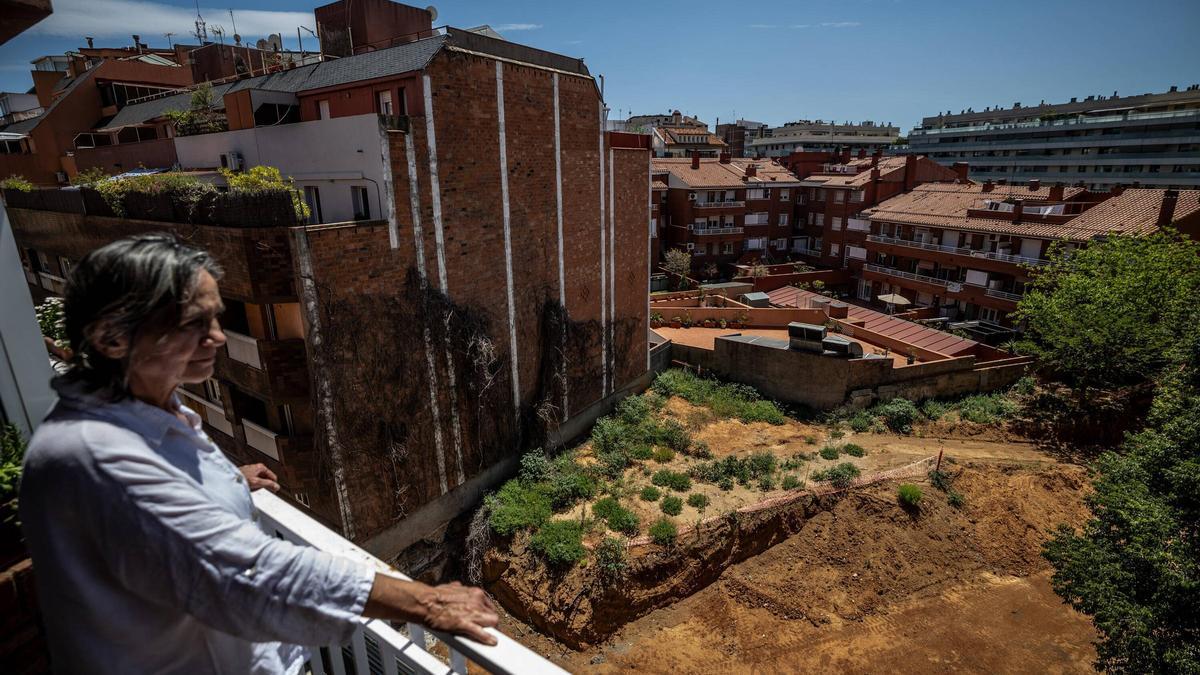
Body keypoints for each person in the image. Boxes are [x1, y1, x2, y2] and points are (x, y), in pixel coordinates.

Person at [20, 234, 499, 674]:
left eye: (217, 318)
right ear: (112, 338)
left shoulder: (146, 409)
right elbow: (249, 571)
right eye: (194, 323)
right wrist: (426, 603)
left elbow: (161, 508)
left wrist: (226, 481)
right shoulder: (93, 459)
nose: (219, 337)